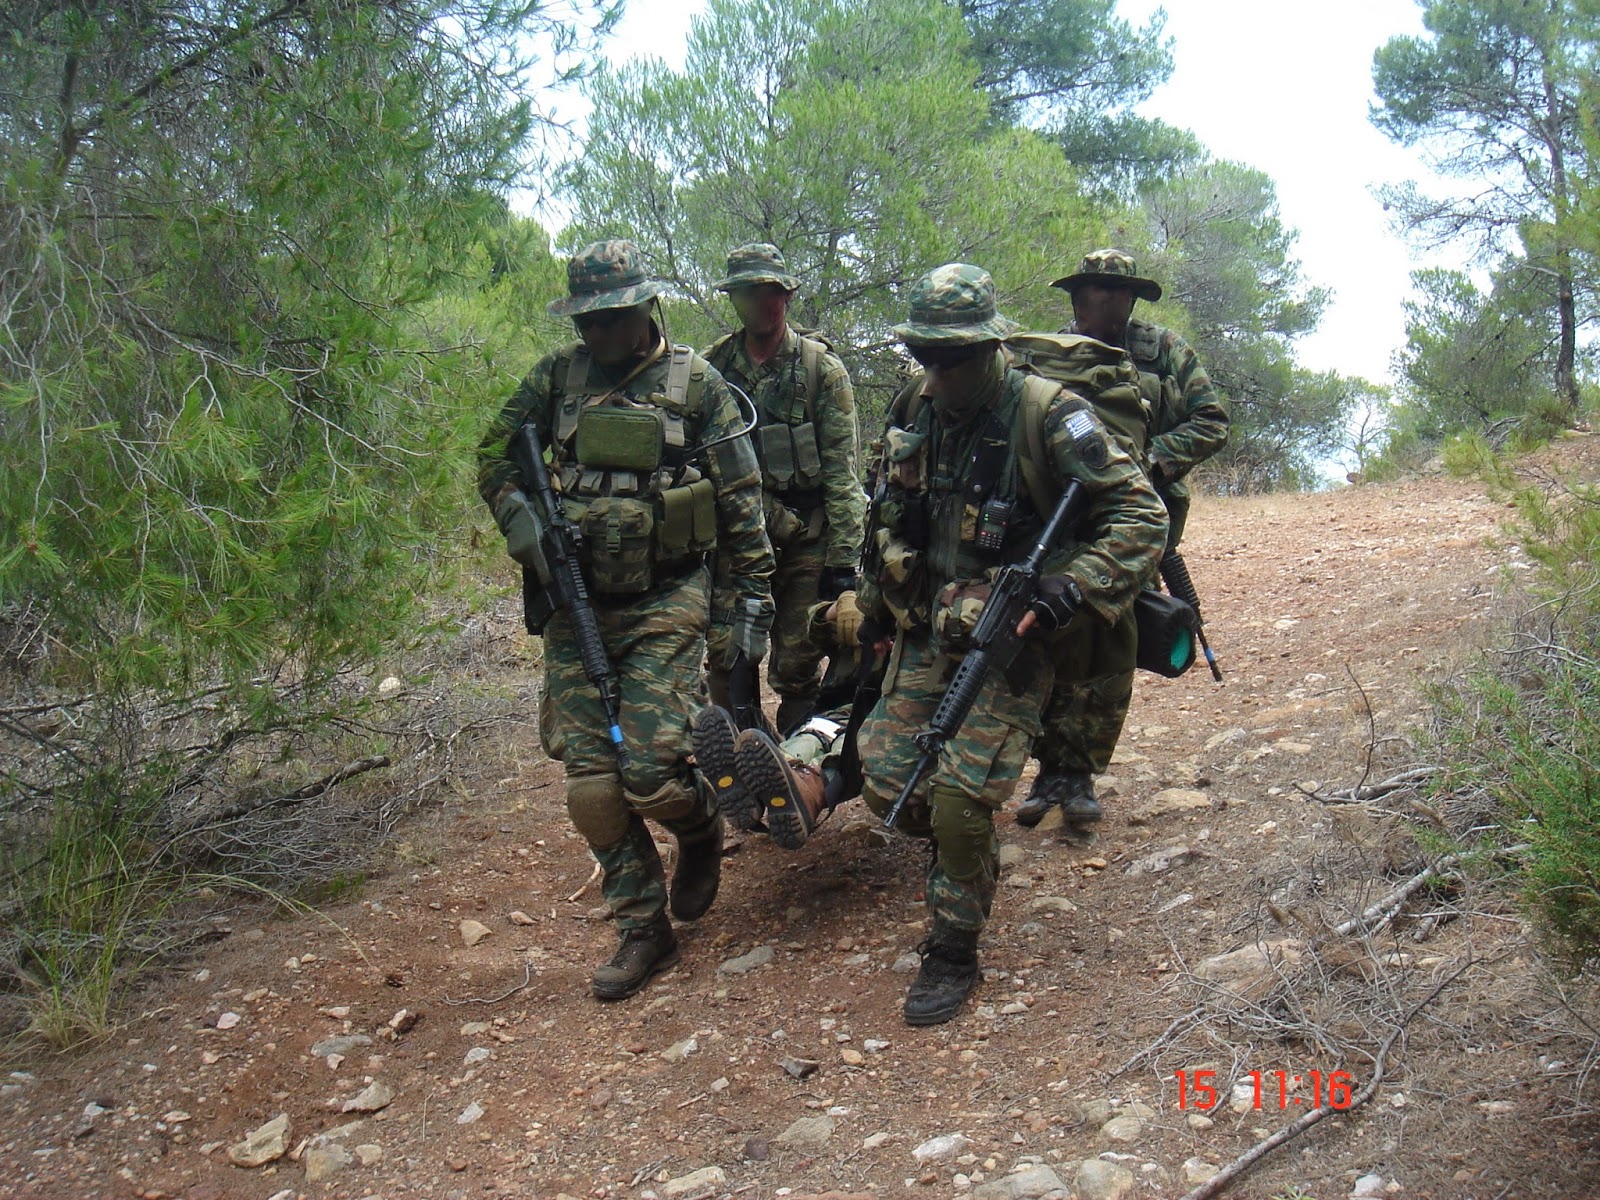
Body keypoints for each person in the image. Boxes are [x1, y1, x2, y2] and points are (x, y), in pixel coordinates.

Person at [852, 263, 1167, 1025]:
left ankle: (953, 948)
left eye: (951, 356)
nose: (936, 372)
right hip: (930, 627)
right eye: (924, 355)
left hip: (1013, 635)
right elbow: (884, 515)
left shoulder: (1050, 413)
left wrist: (1074, 585)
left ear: (989, 347)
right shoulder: (915, 406)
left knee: (960, 803)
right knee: (888, 786)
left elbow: (1141, 516)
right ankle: (962, 858)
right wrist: (873, 609)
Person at [476, 240, 775, 1001]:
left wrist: (745, 617)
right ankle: (644, 927)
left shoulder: (698, 386)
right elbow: (494, 457)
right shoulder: (556, 377)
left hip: (666, 598)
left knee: (649, 773)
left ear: (645, 309)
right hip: (576, 606)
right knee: (593, 789)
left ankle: (701, 823)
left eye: (609, 319)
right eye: (586, 322)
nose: (597, 335)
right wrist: (525, 527)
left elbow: (742, 512)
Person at [1014, 249, 1229, 832]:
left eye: (1115, 292)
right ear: (1077, 297)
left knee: (1115, 639)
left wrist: (1156, 462)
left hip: (1134, 515)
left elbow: (1212, 419)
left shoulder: (1165, 352)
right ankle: (1048, 768)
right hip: (1054, 518)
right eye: (1092, 292)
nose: (1102, 303)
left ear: (1131, 298)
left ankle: (1079, 774)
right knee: (1051, 637)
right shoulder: (1047, 355)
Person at [700, 244, 864, 739]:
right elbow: (697, 465)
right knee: (729, 656)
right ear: (733, 299)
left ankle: (798, 770)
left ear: (787, 296)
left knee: (798, 663)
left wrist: (843, 567)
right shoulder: (711, 371)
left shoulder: (820, 370)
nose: (762, 304)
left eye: (771, 292)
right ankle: (735, 761)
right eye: (749, 293)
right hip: (736, 544)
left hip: (806, 545)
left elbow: (842, 475)